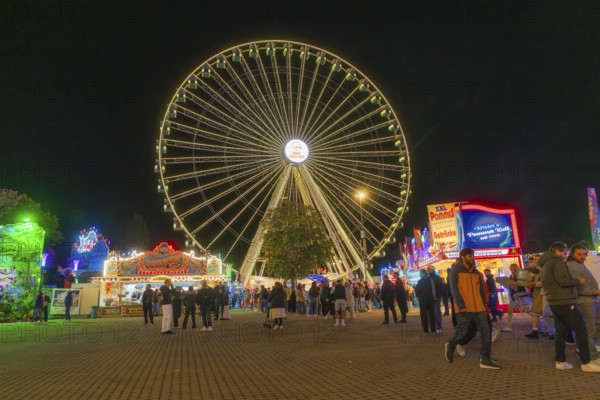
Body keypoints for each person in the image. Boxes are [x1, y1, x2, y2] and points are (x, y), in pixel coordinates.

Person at [539, 242, 600, 372]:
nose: (564, 255)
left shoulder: (545, 263)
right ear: (557, 251)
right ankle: (587, 362)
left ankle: (560, 361)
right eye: (564, 253)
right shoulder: (557, 262)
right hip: (565, 301)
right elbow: (564, 281)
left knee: (561, 332)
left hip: (555, 301)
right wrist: (579, 281)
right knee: (582, 330)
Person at [444, 248, 500, 370]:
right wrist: (461, 305)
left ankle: (484, 358)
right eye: (469, 256)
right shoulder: (455, 270)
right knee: (462, 332)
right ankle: (451, 345)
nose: (471, 258)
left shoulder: (476, 272)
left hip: (479, 308)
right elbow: (454, 289)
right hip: (464, 308)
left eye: (472, 256)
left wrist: (484, 305)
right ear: (462, 257)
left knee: (486, 332)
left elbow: (480, 289)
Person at [566, 243, 600, 358]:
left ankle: (589, 350)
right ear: (572, 254)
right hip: (585, 301)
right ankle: (592, 356)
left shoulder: (579, 264)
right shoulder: (572, 266)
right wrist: (595, 292)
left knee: (594, 326)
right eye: (579, 254)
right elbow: (578, 287)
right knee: (589, 329)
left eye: (584, 254)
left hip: (592, 299)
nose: (582, 256)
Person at [501, 263, 526, 332]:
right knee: (510, 310)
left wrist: (516, 287)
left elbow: (523, 285)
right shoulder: (511, 276)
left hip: (521, 296)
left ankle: (537, 326)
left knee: (529, 311)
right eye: (510, 268)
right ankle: (508, 326)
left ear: (516, 268)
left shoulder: (520, 275)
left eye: (512, 268)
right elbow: (510, 285)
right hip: (514, 297)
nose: (511, 269)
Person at [415, 269, 436, 333]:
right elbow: (433, 289)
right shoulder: (430, 280)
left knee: (424, 315)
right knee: (431, 314)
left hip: (423, 300)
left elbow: (417, 291)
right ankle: (433, 329)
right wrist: (434, 298)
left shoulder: (420, 281)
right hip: (430, 299)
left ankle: (426, 330)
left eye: (420, 273)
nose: (419, 274)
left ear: (423, 273)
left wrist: (419, 295)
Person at [427, 265, 445, 333]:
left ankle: (439, 327)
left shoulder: (436, 278)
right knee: (432, 312)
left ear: (432, 270)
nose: (427, 270)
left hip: (435, 298)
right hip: (432, 298)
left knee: (436, 312)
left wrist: (437, 296)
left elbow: (441, 288)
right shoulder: (431, 277)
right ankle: (434, 327)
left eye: (428, 269)